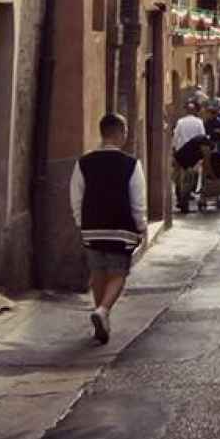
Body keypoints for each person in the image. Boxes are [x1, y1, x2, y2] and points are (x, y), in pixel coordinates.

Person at [70, 113, 147, 344]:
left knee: (98, 273)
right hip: (120, 229)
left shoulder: (83, 162)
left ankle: (101, 320)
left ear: (102, 133)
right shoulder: (131, 164)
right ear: (121, 133)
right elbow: (138, 201)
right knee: (118, 273)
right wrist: (141, 226)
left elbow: (76, 196)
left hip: (92, 228)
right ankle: (103, 311)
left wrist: (80, 223)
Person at [172, 99, 207, 214]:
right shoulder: (199, 122)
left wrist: (174, 150)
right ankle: (185, 199)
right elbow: (202, 137)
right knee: (190, 178)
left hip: (182, 153)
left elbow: (176, 137)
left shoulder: (181, 122)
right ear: (195, 111)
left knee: (180, 178)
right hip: (194, 154)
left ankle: (180, 199)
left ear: (186, 111)